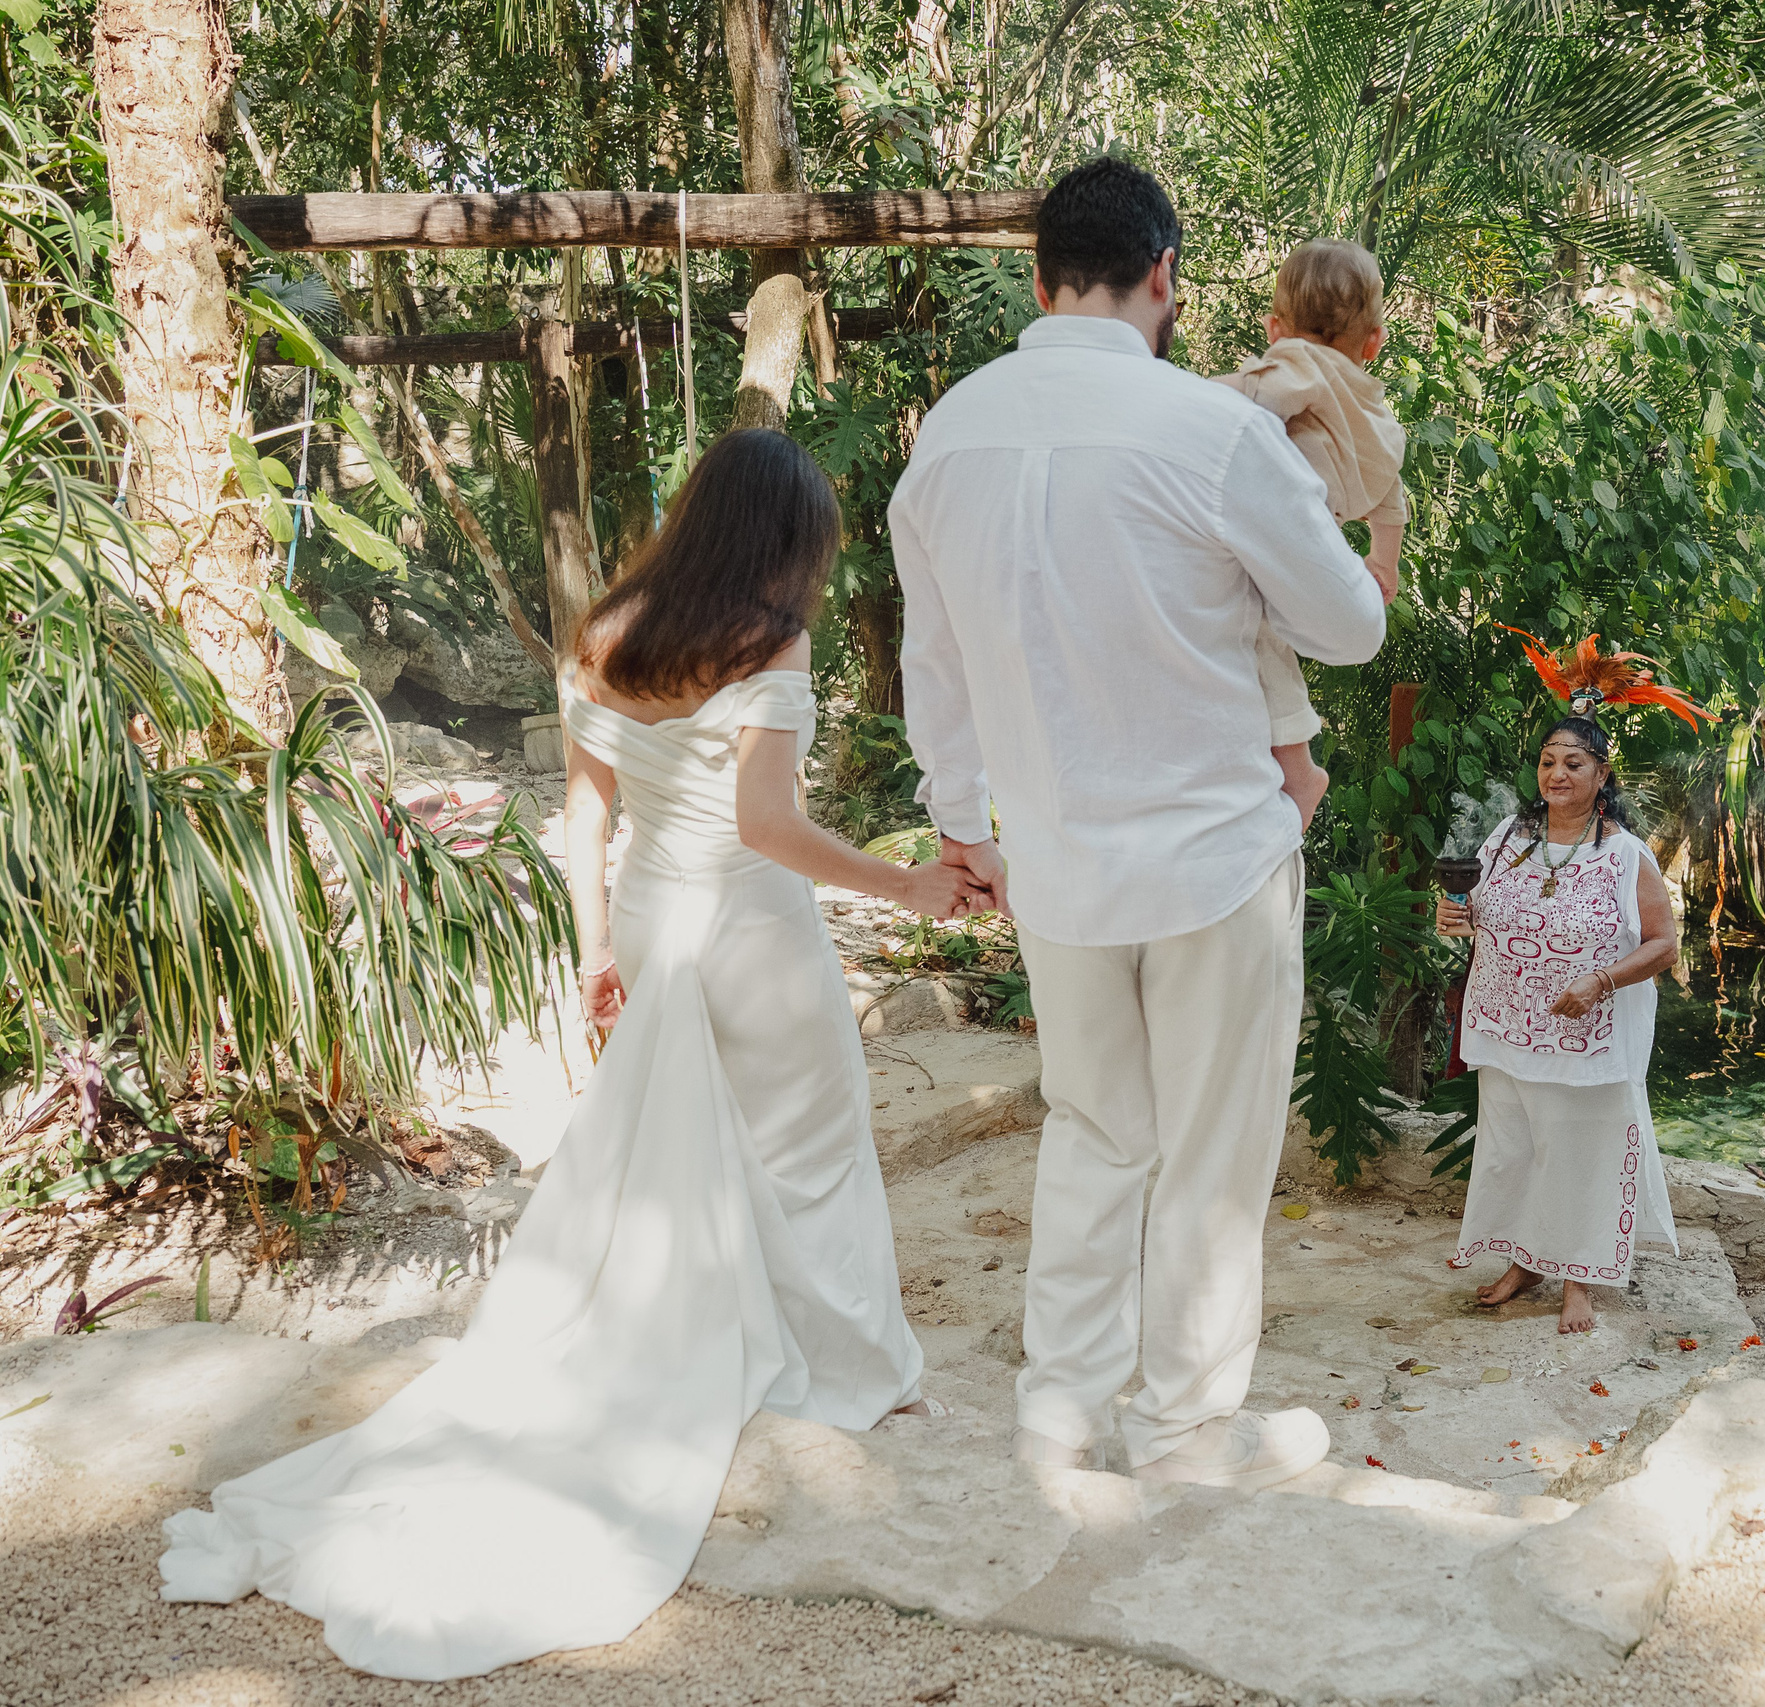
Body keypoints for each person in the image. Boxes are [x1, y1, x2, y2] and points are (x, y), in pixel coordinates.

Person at [159, 429, 988, 1680]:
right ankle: (848, 1369)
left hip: (656, 919)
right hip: (751, 932)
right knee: (806, 1154)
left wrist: (597, 950)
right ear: (788, 538)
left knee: (688, 1159)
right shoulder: (770, 640)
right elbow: (769, 825)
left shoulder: (607, 630)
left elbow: (583, 814)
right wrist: (908, 884)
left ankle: (750, 1345)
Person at [890, 158, 1387, 1488]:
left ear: (1039, 275)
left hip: (1053, 857)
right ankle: (1179, 1432)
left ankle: (1056, 1411)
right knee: (1216, 1151)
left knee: (1091, 1127)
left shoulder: (951, 433)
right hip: (1218, 850)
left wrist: (959, 825)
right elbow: (1348, 625)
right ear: (1164, 274)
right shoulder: (1209, 432)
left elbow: (929, 664)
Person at [1434, 638, 1698, 1335]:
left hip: (1586, 1034)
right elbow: (1476, 915)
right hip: (1509, 1026)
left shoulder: (1623, 853)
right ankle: (1526, 1259)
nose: (1556, 772)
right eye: (1548, 761)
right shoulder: (1508, 838)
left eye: (1572, 763)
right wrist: (1452, 918)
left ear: (1602, 774)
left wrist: (1601, 980)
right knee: (1517, 1146)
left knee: (1582, 1150)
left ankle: (1579, 1276)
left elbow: (1665, 945)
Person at [1211, 237, 1408, 829]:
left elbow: (1258, 408)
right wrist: (1384, 563)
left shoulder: (1295, 363)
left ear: (1275, 328)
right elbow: (1391, 499)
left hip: (1284, 528)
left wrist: (1200, 395)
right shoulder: (1374, 412)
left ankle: (1299, 772)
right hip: (1321, 538)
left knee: (1257, 633)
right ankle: (1296, 766)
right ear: (1373, 344)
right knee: (1266, 637)